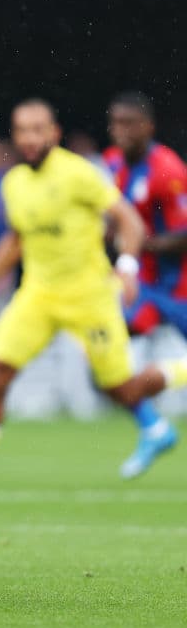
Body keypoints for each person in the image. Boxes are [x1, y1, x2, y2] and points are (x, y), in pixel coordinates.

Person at [0, 99, 187, 497]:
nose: (30, 138)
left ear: (54, 133)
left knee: (125, 391)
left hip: (90, 296)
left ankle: (171, 388)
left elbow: (129, 221)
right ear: (15, 136)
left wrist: (129, 266)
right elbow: (16, 238)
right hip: (39, 296)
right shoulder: (14, 182)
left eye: (37, 129)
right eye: (22, 130)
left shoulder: (79, 174)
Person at [103, 92, 187, 477]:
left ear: (148, 127)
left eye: (128, 123)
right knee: (106, 354)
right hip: (143, 284)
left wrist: (138, 243)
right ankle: (153, 427)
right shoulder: (110, 165)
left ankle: (168, 377)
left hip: (179, 284)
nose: (120, 131)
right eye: (115, 123)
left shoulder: (167, 169)